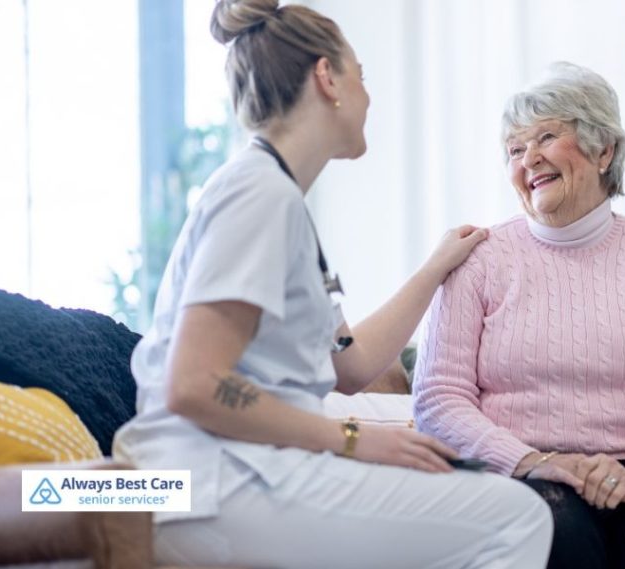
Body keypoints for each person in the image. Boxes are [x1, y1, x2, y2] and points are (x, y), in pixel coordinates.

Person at [112, 2, 552, 567]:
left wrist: (435, 268)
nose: (368, 97)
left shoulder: (274, 196)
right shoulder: (260, 196)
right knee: (516, 516)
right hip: (204, 482)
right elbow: (195, 384)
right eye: (361, 77)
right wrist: (354, 440)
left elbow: (351, 365)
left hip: (227, 474)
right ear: (327, 78)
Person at [412, 62, 625, 569]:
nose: (528, 160)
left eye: (546, 138)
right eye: (515, 149)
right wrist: (534, 462)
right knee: (552, 520)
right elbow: (437, 398)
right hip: (519, 471)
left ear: (605, 150)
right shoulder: (479, 258)